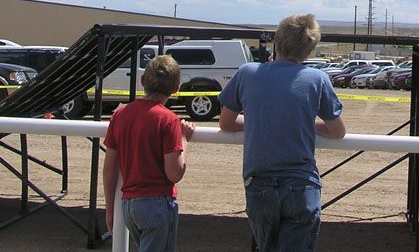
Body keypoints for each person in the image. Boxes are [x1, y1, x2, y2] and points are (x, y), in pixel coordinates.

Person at [219, 14, 346, 252]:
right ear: (309, 50)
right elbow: (337, 131)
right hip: (301, 183)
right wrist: (302, 124)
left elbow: (226, 123)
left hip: (260, 182)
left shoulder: (247, 73)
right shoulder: (317, 79)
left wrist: (262, 121)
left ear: (276, 40)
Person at [103, 55, 195, 252]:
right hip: (157, 204)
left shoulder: (120, 115)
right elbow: (174, 173)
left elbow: (109, 169)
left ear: (143, 81)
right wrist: (184, 140)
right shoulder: (168, 120)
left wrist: (110, 210)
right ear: (176, 87)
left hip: (128, 205)